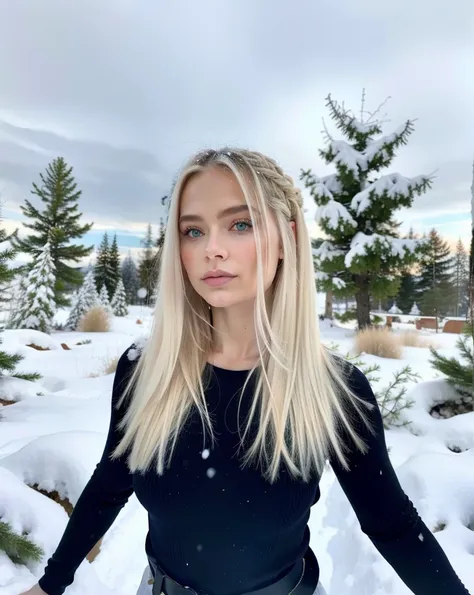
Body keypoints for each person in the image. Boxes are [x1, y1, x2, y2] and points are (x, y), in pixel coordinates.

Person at [22, 148, 470, 595]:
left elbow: (392, 524)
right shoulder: (146, 371)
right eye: (193, 231)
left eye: (240, 224)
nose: (211, 249)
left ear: (286, 238)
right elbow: (109, 484)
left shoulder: (334, 390)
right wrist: (50, 585)